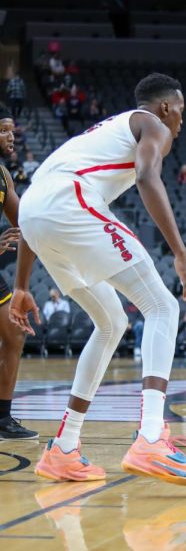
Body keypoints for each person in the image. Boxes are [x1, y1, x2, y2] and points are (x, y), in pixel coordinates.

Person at [12, 74, 186, 483]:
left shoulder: (93, 139)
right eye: (181, 112)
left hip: (36, 211)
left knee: (112, 323)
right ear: (167, 107)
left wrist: (21, 286)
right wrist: (180, 253)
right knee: (163, 306)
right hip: (68, 202)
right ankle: (152, 437)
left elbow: (33, 212)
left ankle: (64, 448)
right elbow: (146, 177)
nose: (181, 122)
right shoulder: (152, 124)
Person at [0, 108, 36, 439]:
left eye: (12, 131)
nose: (11, 136)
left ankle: (3, 418)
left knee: (15, 333)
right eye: (4, 131)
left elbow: (24, 220)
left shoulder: (3, 175)